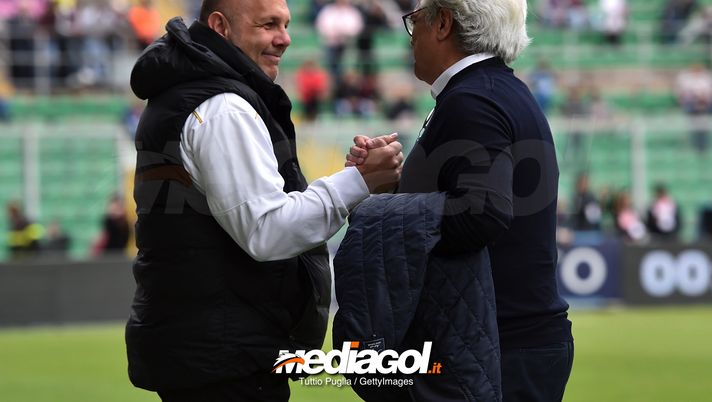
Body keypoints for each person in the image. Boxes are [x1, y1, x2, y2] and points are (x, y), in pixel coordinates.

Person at [124, 0, 403, 401]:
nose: (285, 38)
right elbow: (266, 230)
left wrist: (352, 180)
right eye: (268, 24)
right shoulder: (220, 107)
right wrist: (358, 182)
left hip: (209, 349)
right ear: (220, 27)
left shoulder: (193, 92)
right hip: (224, 358)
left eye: (286, 24)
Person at [348, 1, 574, 401]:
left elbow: (481, 211)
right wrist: (387, 189)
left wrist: (380, 214)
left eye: (414, 20)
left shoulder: (474, 99)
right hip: (509, 342)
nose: (411, 34)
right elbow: (456, 205)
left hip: (498, 347)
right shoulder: (492, 90)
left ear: (443, 24)